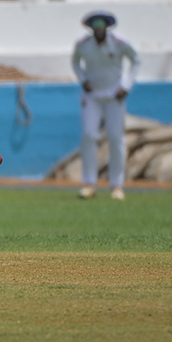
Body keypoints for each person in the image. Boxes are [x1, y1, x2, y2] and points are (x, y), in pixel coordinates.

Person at [71, 11, 141, 201]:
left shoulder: (119, 42)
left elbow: (136, 60)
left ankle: (117, 186)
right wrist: (83, 80)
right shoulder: (83, 44)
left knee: (116, 138)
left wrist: (126, 86)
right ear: (91, 29)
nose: (99, 30)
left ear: (107, 27)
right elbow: (75, 62)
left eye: (102, 27)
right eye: (95, 27)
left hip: (114, 96)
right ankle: (88, 184)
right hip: (92, 96)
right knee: (89, 135)